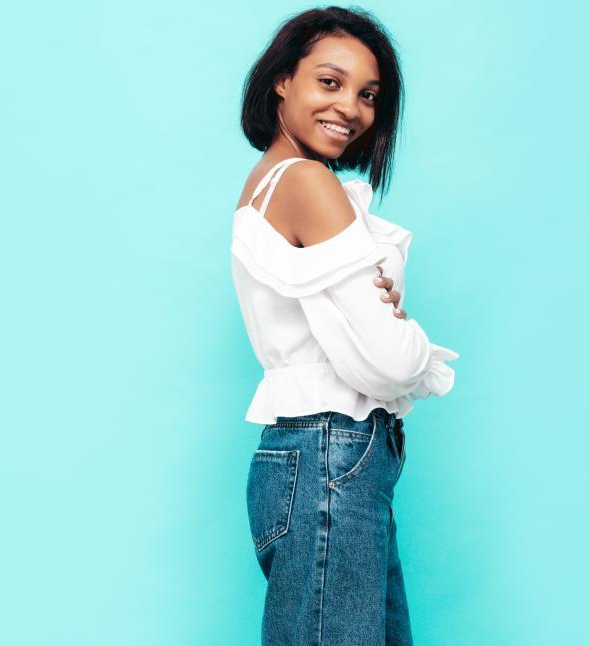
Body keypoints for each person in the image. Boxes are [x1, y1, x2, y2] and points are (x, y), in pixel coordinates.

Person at [231, 7, 460, 645]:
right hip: (334, 452)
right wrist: (405, 330)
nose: (351, 109)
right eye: (329, 82)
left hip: (315, 457)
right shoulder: (305, 182)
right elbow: (390, 362)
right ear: (281, 79)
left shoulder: (268, 185)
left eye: (368, 95)